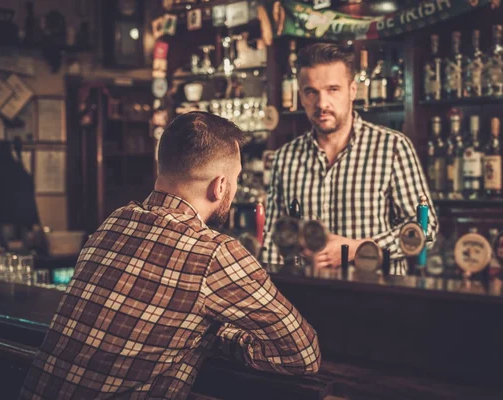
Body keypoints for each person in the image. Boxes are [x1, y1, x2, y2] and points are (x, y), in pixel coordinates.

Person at [20, 112, 320, 400]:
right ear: (220, 186)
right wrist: (217, 337)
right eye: (236, 177)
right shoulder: (214, 253)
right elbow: (303, 354)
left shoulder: (115, 221)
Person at [262, 43, 438, 274]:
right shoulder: (285, 158)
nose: (322, 103)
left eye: (333, 89)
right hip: (308, 296)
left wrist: (358, 248)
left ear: (352, 90)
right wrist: (294, 263)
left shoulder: (392, 147)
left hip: (379, 296)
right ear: (301, 96)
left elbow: (425, 230)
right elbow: (272, 242)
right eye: (311, 91)